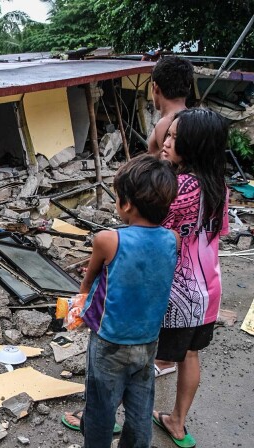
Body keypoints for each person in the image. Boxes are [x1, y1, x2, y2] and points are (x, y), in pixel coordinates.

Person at [62, 155, 180, 448]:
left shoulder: (107, 239)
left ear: (126, 204)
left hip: (109, 342)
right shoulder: (173, 239)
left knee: (101, 408)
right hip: (148, 341)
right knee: (140, 410)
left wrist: (78, 308)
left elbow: (89, 283)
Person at [152, 108, 229, 448]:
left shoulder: (181, 186)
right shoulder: (219, 185)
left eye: (174, 139)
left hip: (177, 290)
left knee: (142, 354)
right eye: (168, 135)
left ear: (194, 146)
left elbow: (153, 232)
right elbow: (218, 232)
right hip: (208, 287)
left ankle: (104, 416)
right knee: (191, 355)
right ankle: (178, 423)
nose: (165, 142)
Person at [147, 56, 194, 157]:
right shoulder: (196, 123)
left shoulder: (166, 124)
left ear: (155, 88)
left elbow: (168, 169)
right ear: (189, 88)